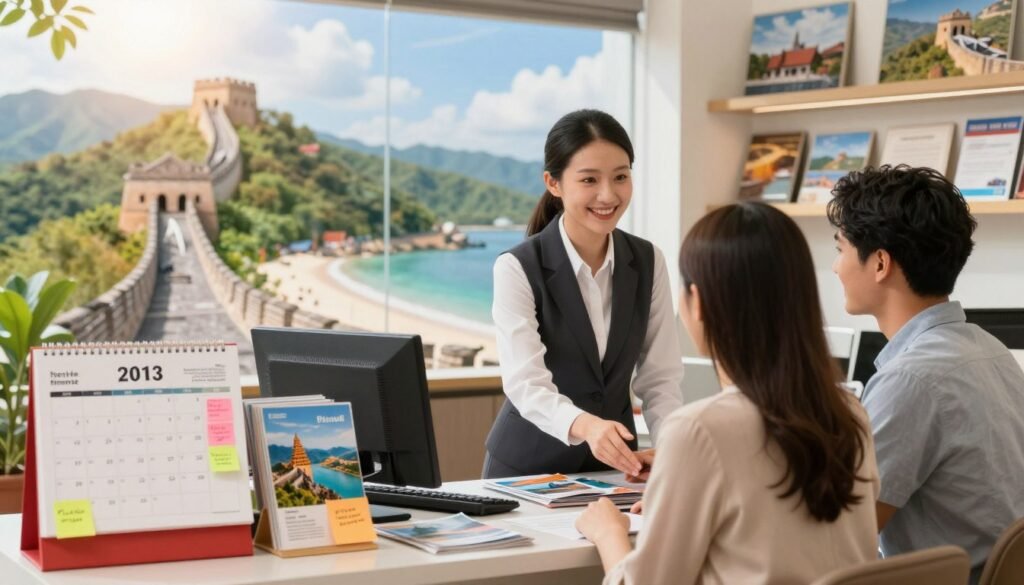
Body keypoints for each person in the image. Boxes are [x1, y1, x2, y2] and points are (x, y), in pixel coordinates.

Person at [576, 202, 880, 584]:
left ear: (697, 302)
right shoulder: (850, 412)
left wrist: (609, 532)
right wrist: (678, 482)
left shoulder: (699, 430)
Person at [827, 165, 1024, 583]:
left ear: (880, 263)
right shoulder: (991, 352)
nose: (836, 267)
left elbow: (841, 535)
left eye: (840, 249)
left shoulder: (912, 379)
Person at [483, 109, 684, 478]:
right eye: (589, 179)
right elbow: (526, 383)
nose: (608, 195)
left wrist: (673, 452)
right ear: (554, 183)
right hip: (526, 470)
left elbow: (660, 378)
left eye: (621, 177)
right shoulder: (517, 267)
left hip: (615, 467)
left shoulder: (648, 260)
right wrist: (587, 426)